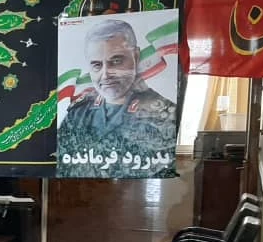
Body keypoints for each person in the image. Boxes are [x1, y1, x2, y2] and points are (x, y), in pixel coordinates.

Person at [58, 19, 177, 176]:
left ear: (136, 56)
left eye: (116, 61)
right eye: (97, 65)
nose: (105, 75)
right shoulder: (77, 115)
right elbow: (63, 168)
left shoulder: (164, 115)